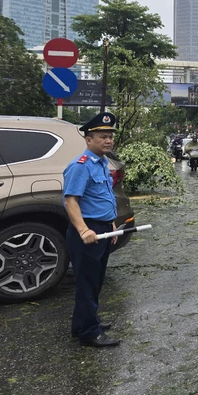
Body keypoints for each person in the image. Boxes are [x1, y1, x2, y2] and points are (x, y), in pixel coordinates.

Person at [63, 112, 121, 347]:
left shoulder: (102, 163)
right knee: (87, 282)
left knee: (95, 280)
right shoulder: (80, 166)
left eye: (109, 136)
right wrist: (84, 230)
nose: (108, 140)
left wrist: (112, 223)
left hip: (103, 229)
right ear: (88, 140)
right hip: (88, 232)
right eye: (102, 137)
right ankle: (89, 332)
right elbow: (71, 201)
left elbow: (103, 197)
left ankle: (83, 322)